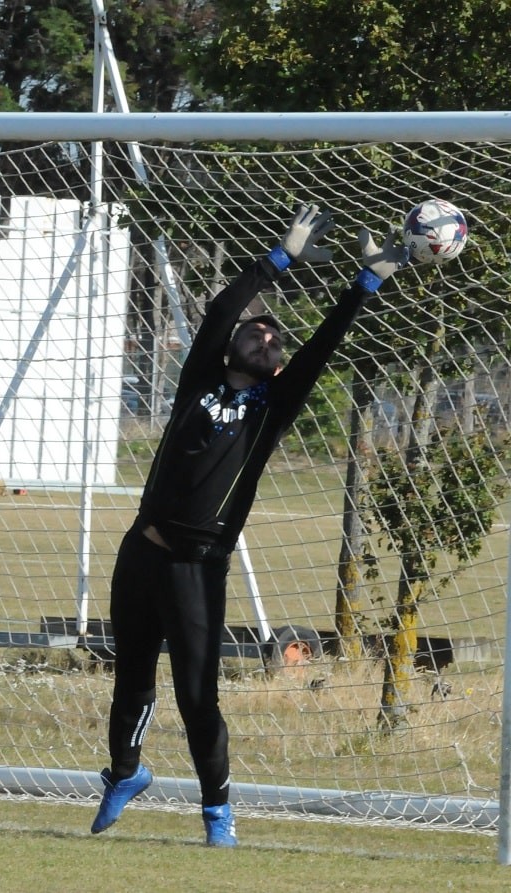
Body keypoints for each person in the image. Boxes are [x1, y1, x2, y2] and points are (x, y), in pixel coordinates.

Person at [90, 205, 410, 847]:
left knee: (196, 698)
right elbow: (220, 311)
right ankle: (125, 773)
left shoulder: (272, 407)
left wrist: (363, 285)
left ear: (278, 366)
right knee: (130, 679)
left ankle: (217, 814)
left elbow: (321, 349)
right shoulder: (199, 380)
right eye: (257, 331)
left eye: (274, 340)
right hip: (140, 552)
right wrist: (277, 261)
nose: (265, 336)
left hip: (196, 567)